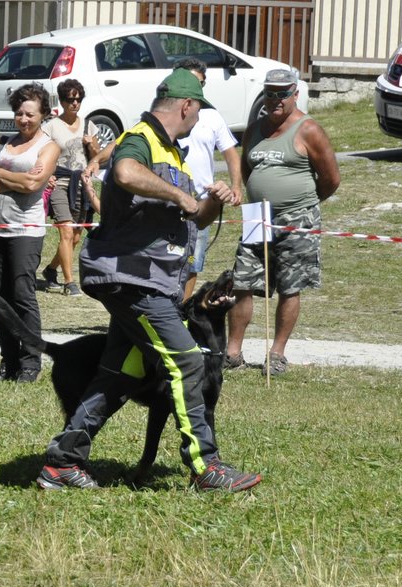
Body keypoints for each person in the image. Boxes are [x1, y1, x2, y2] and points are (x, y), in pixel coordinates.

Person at [36, 68, 260, 494]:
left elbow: (195, 215)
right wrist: (178, 194)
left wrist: (213, 199)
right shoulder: (140, 137)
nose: (198, 122)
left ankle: (62, 464)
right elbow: (123, 173)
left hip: (150, 281)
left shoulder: (172, 153)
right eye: (197, 114)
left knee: (120, 374)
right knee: (189, 361)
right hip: (131, 279)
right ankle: (206, 467)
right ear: (186, 106)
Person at [224, 68, 341, 375]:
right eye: (270, 93)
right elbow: (248, 168)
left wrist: (301, 204)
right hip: (256, 216)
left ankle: (277, 353)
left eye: (282, 94)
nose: (275, 100)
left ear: (295, 94)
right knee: (243, 281)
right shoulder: (255, 128)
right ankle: (232, 352)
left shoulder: (309, 129)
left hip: (297, 217)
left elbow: (330, 179)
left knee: (290, 285)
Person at [0, 82, 56, 382]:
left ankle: (31, 362)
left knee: (23, 296)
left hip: (26, 231)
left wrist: (0, 172)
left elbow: (33, 186)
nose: (24, 119)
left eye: (30, 114)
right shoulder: (2, 142)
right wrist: (16, 178)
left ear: (43, 115)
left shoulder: (48, 147)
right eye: (19, 113)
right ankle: (8, 363)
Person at [171, 58, 244, 301]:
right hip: (169, 200)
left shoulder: (211, 117)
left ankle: (180, 311)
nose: (196, 88)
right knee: (167, 260)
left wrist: (235, 186)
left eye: (200, 83)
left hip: (201, 204)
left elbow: (231, 153)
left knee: (193, 262)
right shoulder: (166, 115)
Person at [41, 78, 104, 297]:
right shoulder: (50, 126)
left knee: (76, 236)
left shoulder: (89, 125)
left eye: (78, 99)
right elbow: (40, 154)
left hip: (83, 184)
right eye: (70, 99)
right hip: (60, 183)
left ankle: (50, 270)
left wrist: (92, 145)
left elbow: (97, 160)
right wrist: (46, 174)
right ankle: (69, 283)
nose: (74, 103)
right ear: (62, 100)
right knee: (66, 231)